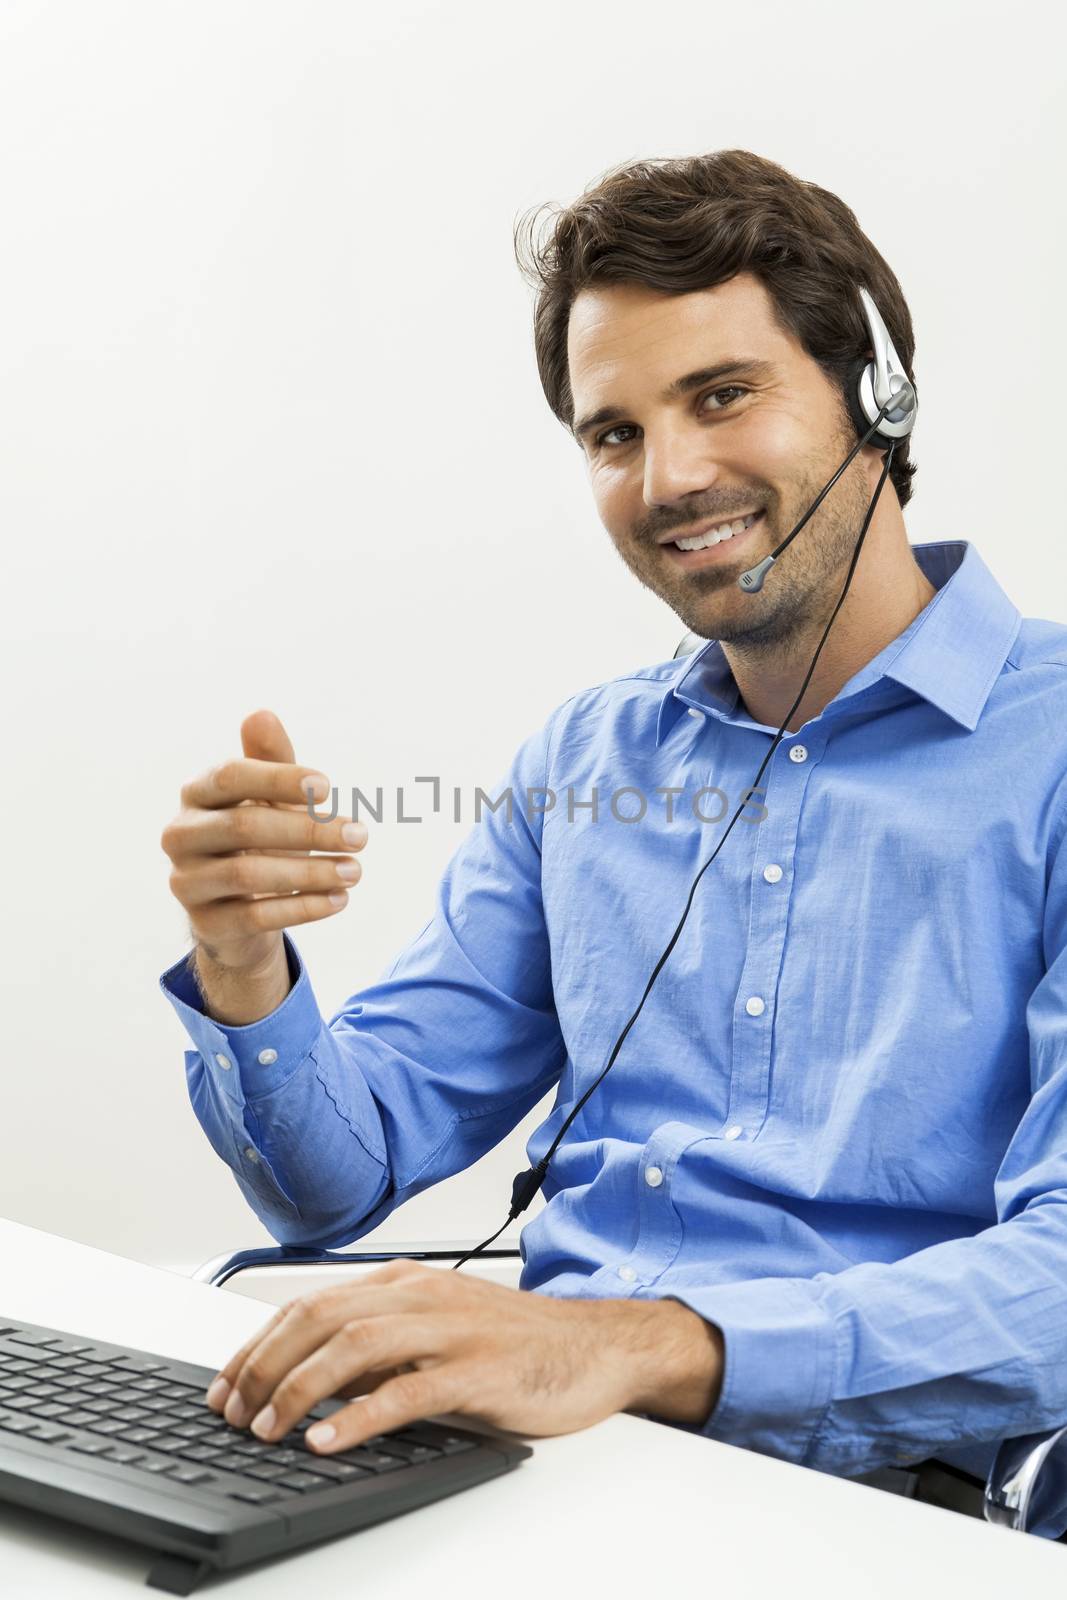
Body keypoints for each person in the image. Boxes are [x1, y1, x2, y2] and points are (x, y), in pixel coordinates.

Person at [159, 148, 1067, 1520]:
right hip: (537, 1464)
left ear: (880, 397)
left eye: (721, 395)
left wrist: (630, 1346)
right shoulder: (588, 760)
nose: (669, 478)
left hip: (883, 1504)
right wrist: (244, 970)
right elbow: (336, 1183)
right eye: (614, 433)